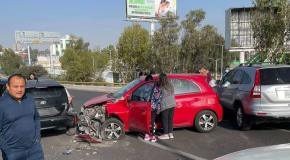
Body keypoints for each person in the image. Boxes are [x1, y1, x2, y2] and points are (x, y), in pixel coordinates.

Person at [0, 74, 44, 160]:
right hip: (14, 152)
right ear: (8, 87)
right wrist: (7, 150)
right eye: (15, 86)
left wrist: (37, 138)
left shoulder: (29, 99)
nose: (19, 90)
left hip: (34, 150)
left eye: (22, 86)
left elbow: (36, 119)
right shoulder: (1, 104)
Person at [158, 73, 176, 140]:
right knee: (170, 119)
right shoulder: (170, 84)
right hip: (172, 104)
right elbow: (173, 92)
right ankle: (170, 134)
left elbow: (158, 95)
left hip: (165, 105)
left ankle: (165, 134)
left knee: (165, 120)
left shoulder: (161, 85)